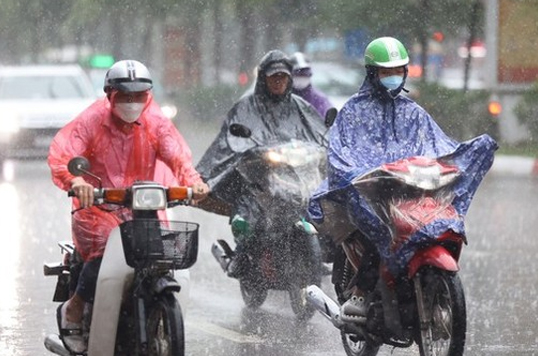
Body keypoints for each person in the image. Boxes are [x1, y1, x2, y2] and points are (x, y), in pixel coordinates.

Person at [308, 37, 497, 323]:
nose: (393, 76)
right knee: (383, 229)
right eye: (386, 71)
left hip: (407, 189)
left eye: (398, 70)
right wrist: (355, 174)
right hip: (368, 192)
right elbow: (339, 154)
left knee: (435, 223)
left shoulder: (413, 112)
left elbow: (438, 146)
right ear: (373, 73)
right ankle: (361, 291)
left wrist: (460, 159)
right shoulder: (353, 112)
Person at [47, 59, 210, 353]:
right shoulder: (92, 121)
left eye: (139, 95)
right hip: (98, 207)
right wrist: (77, 181)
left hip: (143, 206)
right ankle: (75, 308)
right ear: (111, 95)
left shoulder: (156, 123)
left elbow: (178, 157)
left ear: (148, 95)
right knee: (102, 254)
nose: (132, 102)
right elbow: (64, 155)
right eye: (125, 95)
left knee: (161, 253)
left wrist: (194, 182)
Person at [196, 50, 327, 276]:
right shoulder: (245, 107)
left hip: (293, 177)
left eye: (283, 77)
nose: (278, 82)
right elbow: (232, 142)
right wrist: (253, 153)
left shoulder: (300, 106)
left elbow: (319, 135)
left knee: (317, 203)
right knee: (248, 209)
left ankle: (314, 255)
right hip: (258, 179)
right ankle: (241, 254)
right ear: (263, 78)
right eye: (274, 77)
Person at [290, 52, 334, 119]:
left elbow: (329, 121)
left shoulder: (320, 100)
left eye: (305, 73)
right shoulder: (281, 98)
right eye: (297, 74)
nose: (301, 77)